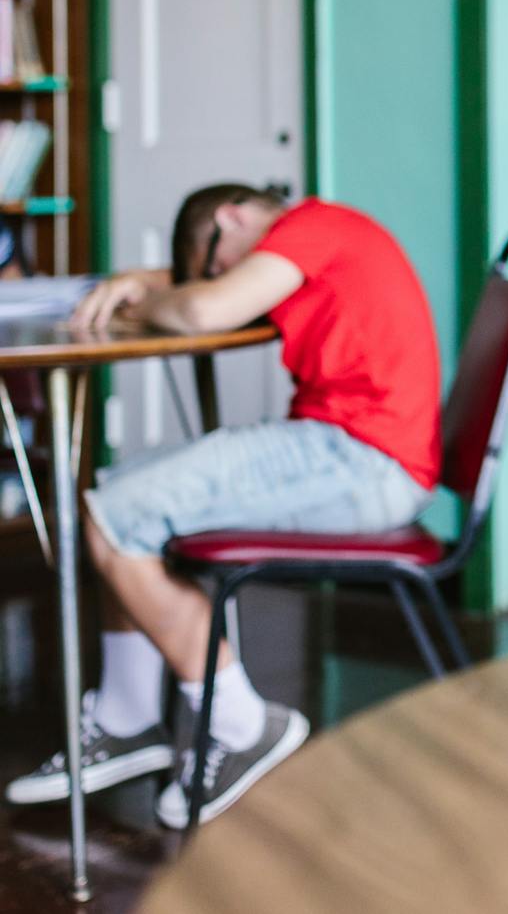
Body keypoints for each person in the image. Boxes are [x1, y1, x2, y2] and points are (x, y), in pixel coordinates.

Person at [4, 184, 442, 827]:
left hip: (362, 461)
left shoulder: (313, 226)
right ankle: (127, 718)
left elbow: (205, 311)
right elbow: (215, 292)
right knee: (114, 493)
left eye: (217, 264)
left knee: (116, 515)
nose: (224, 277)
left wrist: (175, 292)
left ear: (232, 219)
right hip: (352, 452)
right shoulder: (320, 236)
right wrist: (148, 281)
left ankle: (240, 724)